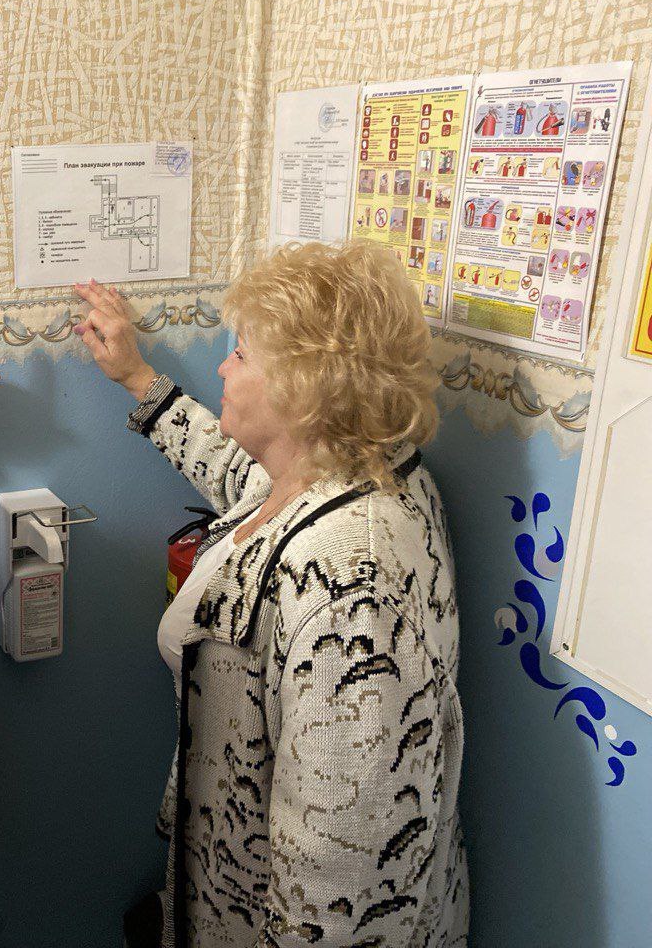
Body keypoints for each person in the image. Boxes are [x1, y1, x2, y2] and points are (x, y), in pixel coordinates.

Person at [73, 239, 468, 948]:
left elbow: (344, 883)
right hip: (226, 882)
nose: (224, 367)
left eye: (242, 353)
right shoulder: (329, 469)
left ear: (304, 387)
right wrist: (137, 379)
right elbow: (238, 477)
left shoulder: (354, 587)